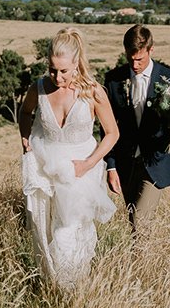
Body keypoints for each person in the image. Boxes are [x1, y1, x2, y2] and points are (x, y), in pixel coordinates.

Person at [19, 28, 119, 290]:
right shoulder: (38, 88)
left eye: (64, 70)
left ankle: (71, 289)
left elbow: (112, 133)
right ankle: (51, 287)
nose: (57, 76)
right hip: (44, 169)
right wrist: (25, 137)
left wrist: (88, 164)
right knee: (44, 230)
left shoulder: (93, 92)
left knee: (67, 233)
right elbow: (25, 113)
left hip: (79, 174)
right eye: (52, 69)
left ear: (77, 64)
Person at [103, 24, 170, 235]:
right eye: (130, 59)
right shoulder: (113, 80)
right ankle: (142, 265)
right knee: (133, 221)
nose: (135, 64)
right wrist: (111, 166)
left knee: (140, 222)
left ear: (151, 50)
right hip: (125, 162)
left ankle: (139, 265)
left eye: (139, 59)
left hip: (156, 161)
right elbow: (107, 125)